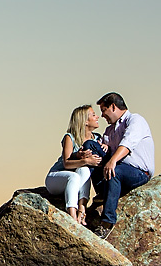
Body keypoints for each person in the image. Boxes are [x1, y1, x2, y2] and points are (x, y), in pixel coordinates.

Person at [89, 92, 155, 239]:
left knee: (115, 171)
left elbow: (128, 143)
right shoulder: (109, 130)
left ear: (113, 107)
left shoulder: (135, 120)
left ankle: (107, 222)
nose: (102, 115)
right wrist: (101, 148)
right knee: (90, 146)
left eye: (104, 110)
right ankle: (103, 191)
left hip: (138, 172)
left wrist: (112, 161)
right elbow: (107, 148)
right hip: (118, 167)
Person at [45, 105, 104, 224]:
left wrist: (106, 147)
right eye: (93, 115)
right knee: (75, 176)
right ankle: (72, 215)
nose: (97, 116)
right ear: (85, 121)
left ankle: (82, 209)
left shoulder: (97, 138)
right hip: (57, 177)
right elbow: (66, 163)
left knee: (85, 170)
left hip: (76, 182)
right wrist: (85, 161)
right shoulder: (70, 138)